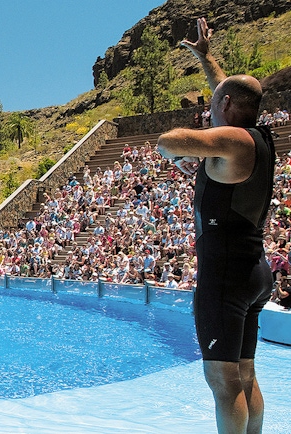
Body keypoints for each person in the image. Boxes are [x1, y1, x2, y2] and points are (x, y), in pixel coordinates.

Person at [157, 17, 275, 434]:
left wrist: (176, 154)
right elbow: (229, 94)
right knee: (244, 373)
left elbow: (169, 140)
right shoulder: (255, 136)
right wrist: (207, 59)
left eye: (214, 104)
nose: (210, 107)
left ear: (224, 110)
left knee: (224, 381)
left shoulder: (234, 141)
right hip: (253, 269)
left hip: (226, 276)